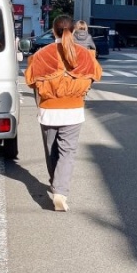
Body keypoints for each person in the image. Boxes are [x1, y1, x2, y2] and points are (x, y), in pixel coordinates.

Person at [25, 15, 102, 211]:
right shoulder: (84, 54)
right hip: (73, 110)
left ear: (53, 31)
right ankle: (60, 191)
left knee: (51, 151)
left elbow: (30, 80)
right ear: (74, 31)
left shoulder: (42, 54)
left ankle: (55, 183)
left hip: (48, 110)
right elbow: (96, 75)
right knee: (67, 152)